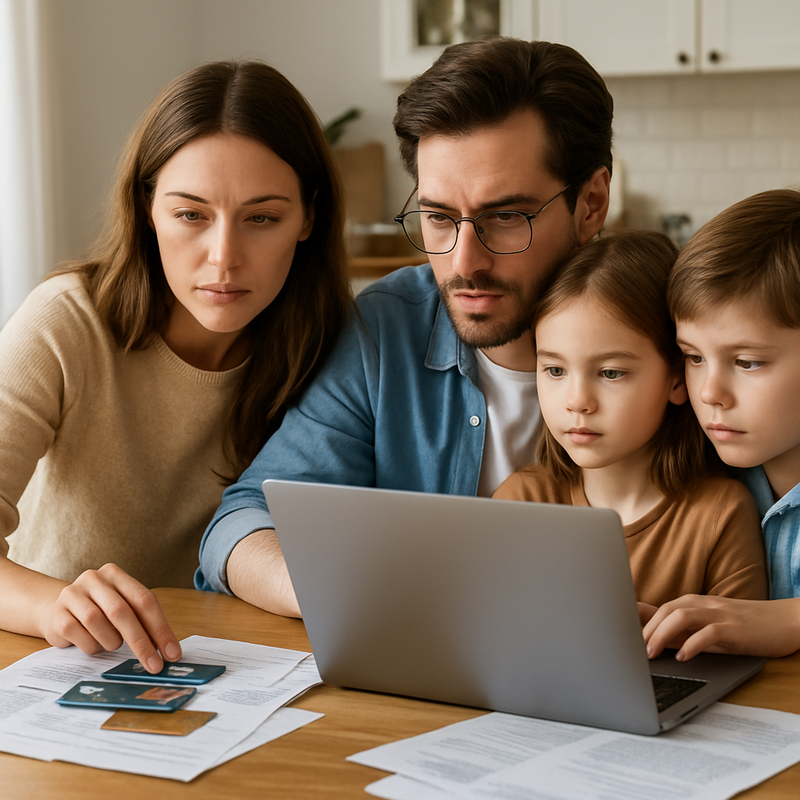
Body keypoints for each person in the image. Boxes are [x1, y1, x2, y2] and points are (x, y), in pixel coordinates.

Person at [196, 37, 613, 616]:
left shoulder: (674, 335)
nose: (464, 262)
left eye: (505, 216)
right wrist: (339, 594)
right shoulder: (384, 330)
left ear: (591, 204)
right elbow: (242, 525)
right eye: (439, 218)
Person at [0, 61, 351, 670]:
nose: (224, 258)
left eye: (261, 218)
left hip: (237, 672)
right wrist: (54, 605)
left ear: (309, 218)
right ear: (147, 210)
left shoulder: (331, 345)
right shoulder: (65, 323)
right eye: (191, 214)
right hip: (59, 665)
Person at [493, 231, 767, 607]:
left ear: (676, 376)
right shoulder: (521, 501)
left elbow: (745, 652)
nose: (577, 402)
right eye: (555, 371)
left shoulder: (720, 513)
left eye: (610, 373)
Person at [644, 188, 800, 660]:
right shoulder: (703, 471)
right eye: (693, 357)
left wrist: (788, 620)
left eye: (748, 362)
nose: (709, 393)